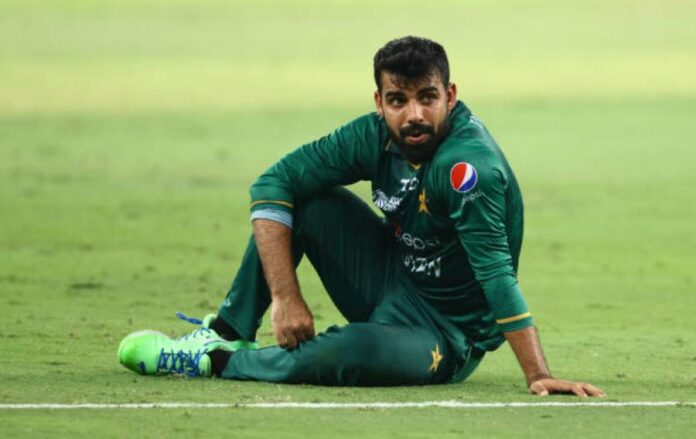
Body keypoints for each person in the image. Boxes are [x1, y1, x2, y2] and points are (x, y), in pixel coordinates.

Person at [118, 36, 604, 396]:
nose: (414, 114)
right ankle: (226, 332)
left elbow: (496, 274)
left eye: (427, 97)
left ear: (450, 96)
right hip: (389, 278)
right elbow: (272, 183)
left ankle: (215, 362)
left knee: (353, 351)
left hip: (442, 335)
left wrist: (538, 374)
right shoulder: (372, 136)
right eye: (398, 100)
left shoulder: (465, 169)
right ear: (379, 103)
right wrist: (286, 296)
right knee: (306, 200)